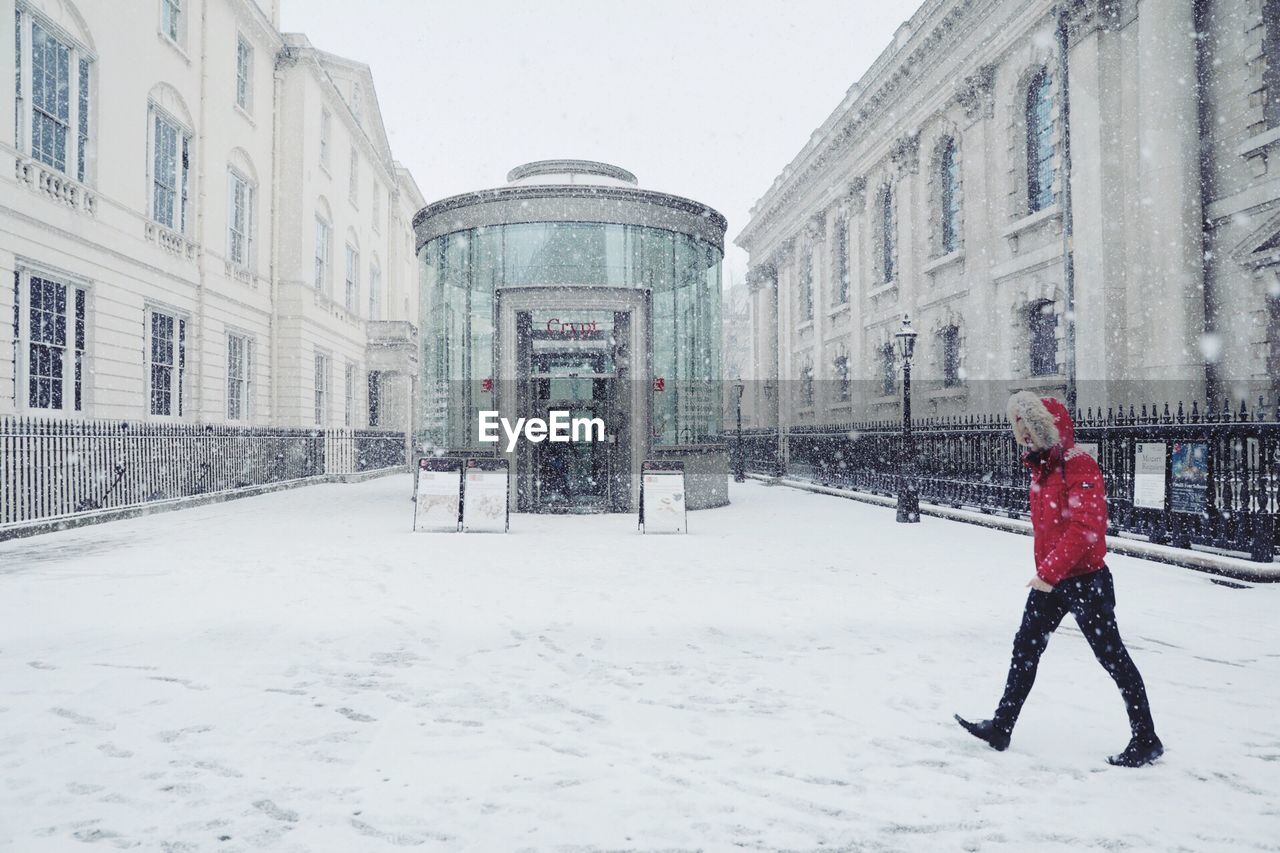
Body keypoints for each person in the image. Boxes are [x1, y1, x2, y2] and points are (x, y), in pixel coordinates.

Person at [955, 392, 1163, 767]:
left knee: (1112, 657)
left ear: (1047, 428)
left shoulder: (1079, 465)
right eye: (1018, 427)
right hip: (1052, 579)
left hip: (1085, 580)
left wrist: (1048, 573)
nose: (1023, 436)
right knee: (1025, 649)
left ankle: (1146, 739)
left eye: (1029, 427)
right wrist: (1048, 574)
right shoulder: (1042, 469)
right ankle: (1002, 727)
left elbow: (1086, 527)